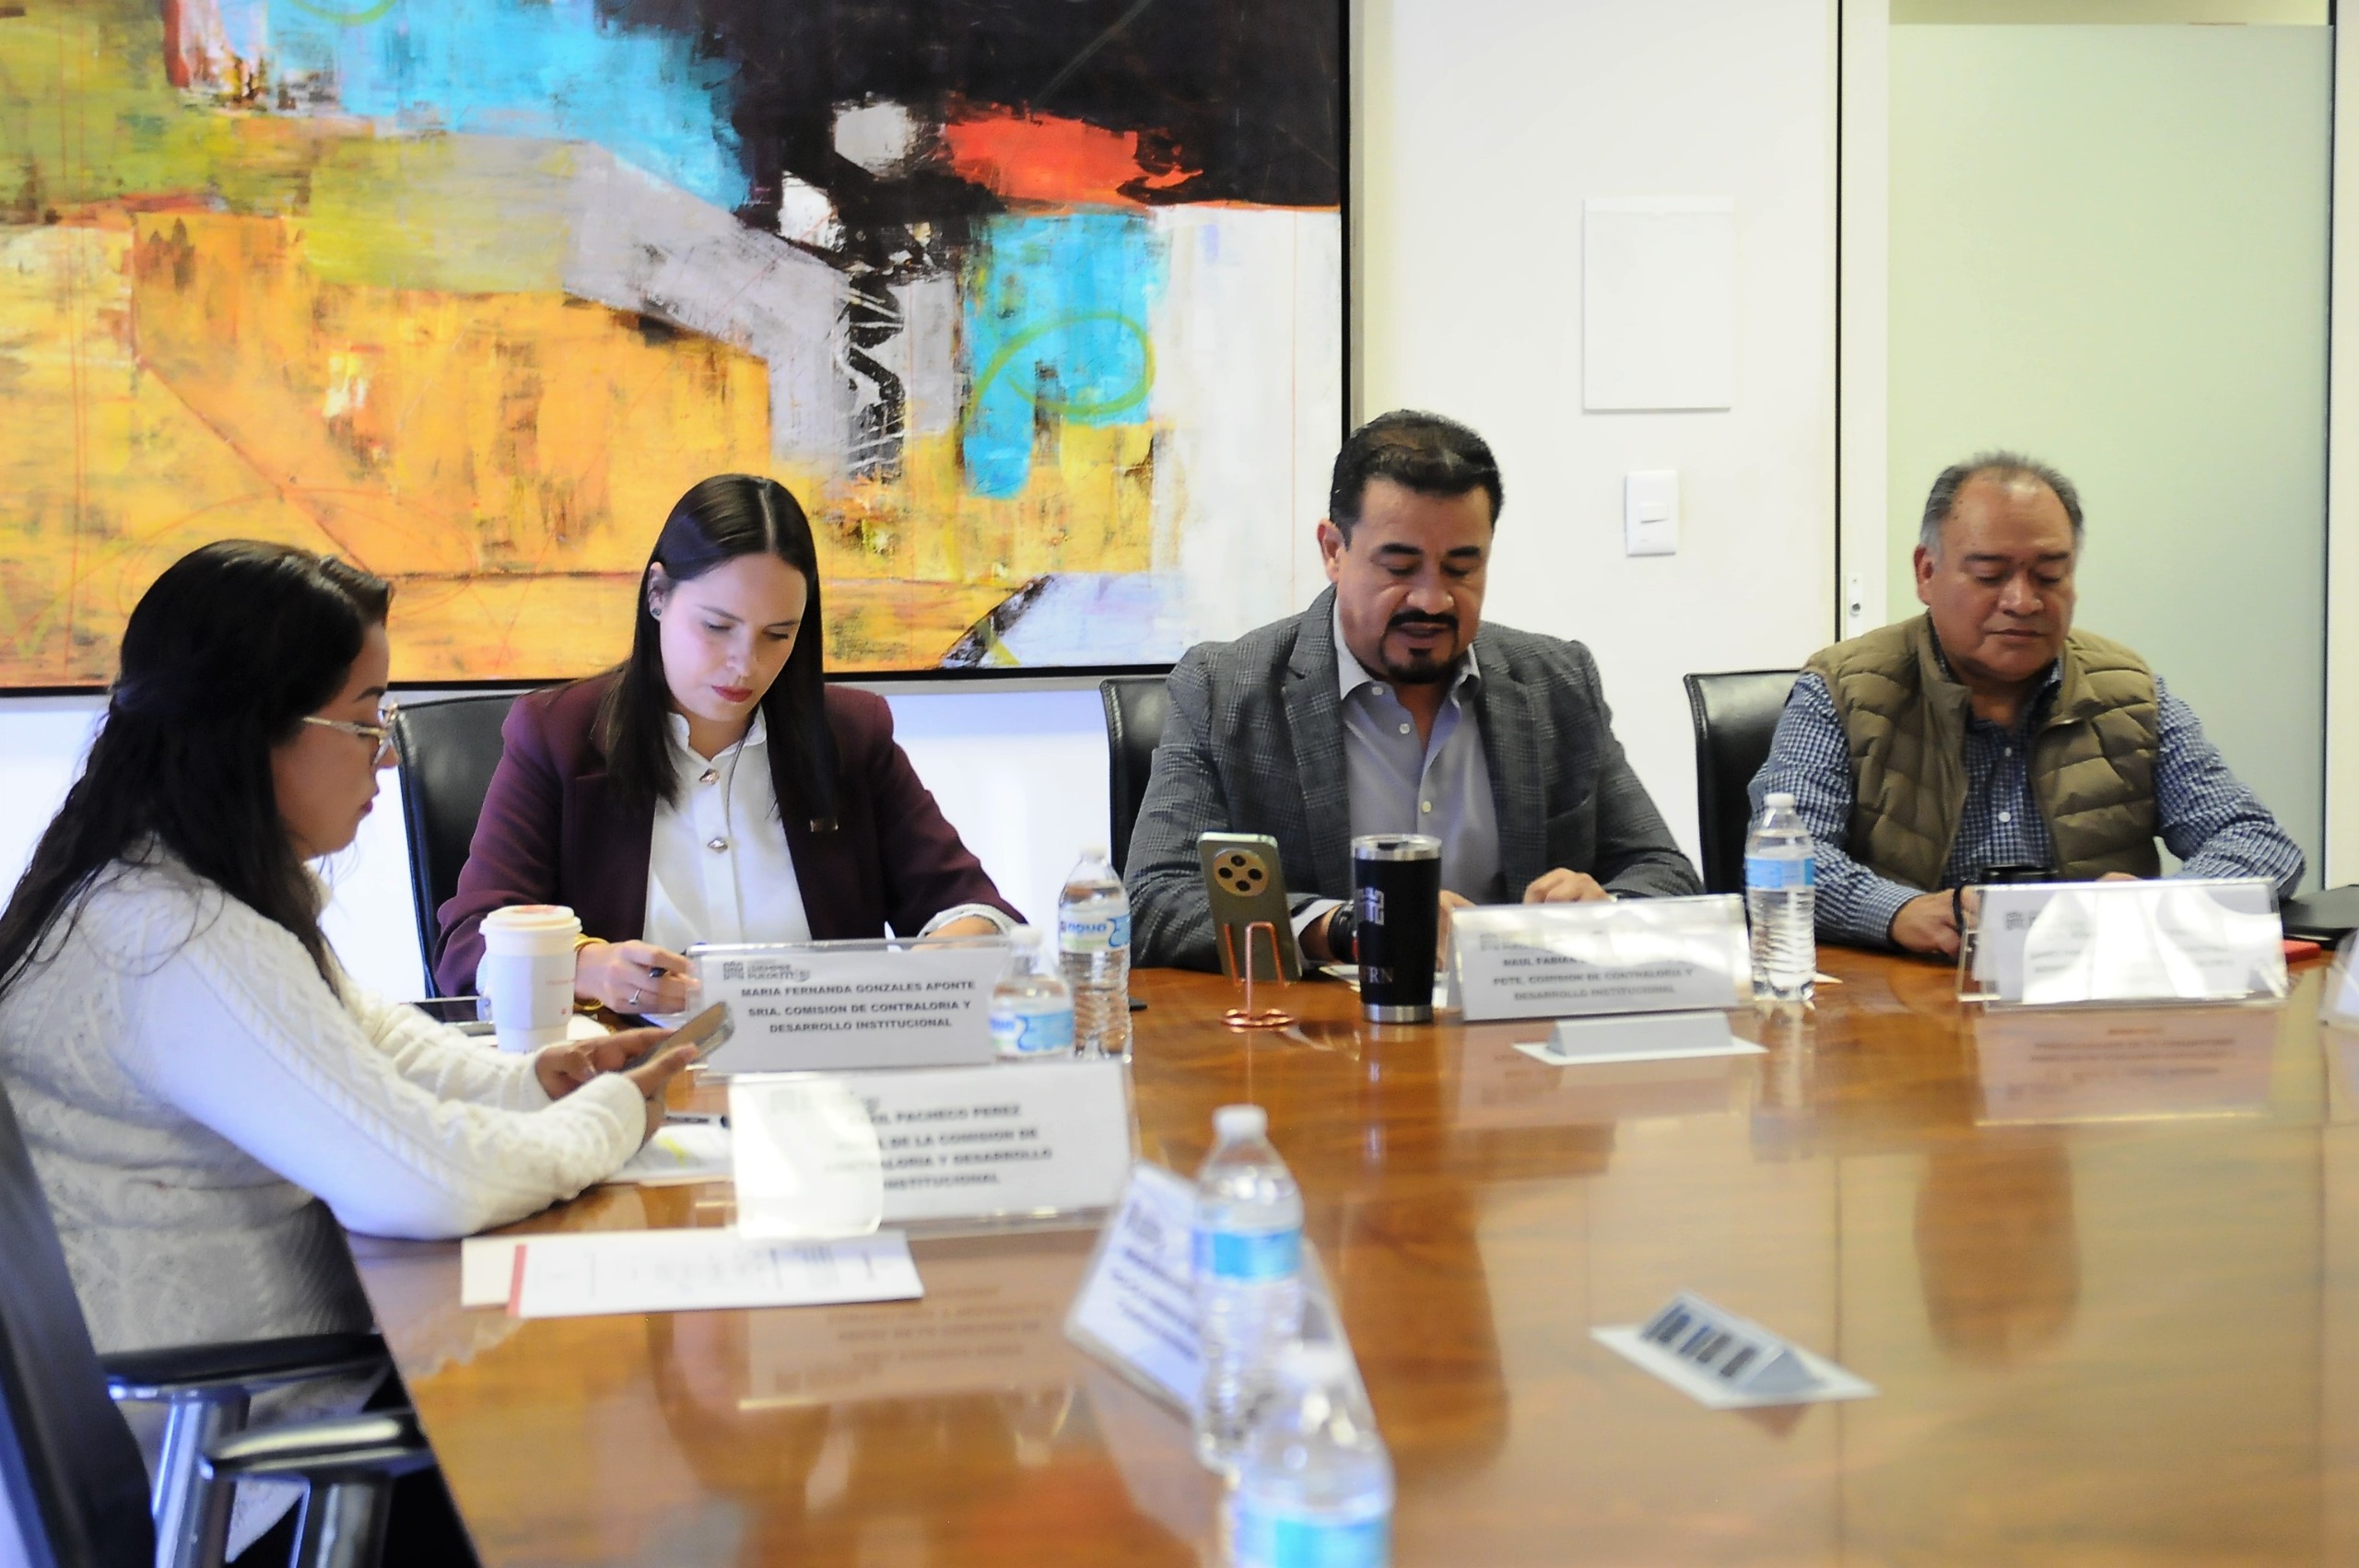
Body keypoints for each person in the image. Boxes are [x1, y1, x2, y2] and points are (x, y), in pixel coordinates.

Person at [0, 541, 696, 1558]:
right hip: (244, 1477)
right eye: (367, 719)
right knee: (641, 1454)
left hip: (263, 1415)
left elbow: (367, 1036)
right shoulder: (172, 937)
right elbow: (426, 1183)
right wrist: (615, 1113)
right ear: (254, 728)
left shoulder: (159, 883)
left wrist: (531, 1080)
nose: (388, 754)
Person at [1125, 410, 1700, 972]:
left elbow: (1666, 875)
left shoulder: (1557, 682)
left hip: (1519, 1025)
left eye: (1461, 568)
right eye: (1400, 567)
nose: (1432, 599)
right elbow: (1154, 901)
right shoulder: (1225, 689)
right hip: (1324, 1030)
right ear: (1333, 550)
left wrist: (1607, 910)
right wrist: (1351, 928)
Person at [437, 474, 1019, 1007]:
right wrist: (588, 968)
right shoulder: (559, 735)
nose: (745, 664)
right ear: (658, 594)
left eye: (777, 635)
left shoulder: (850, 735)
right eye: (717, 627)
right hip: (631, 1071)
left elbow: (976, 911)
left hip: (822, 1070)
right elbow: (470, 946)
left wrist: (945, 957)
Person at [1751, 451, 2305, 957]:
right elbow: (1786, 862)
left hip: (2091, 1002)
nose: (2022, 601)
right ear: (1926, 572)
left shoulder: (2128, 693)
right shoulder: (1844, 689)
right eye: (1990, 575)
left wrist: (2166, 906)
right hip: (1907, 998)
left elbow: (2258, 842)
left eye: (2049, 575)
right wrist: (1898, 912)